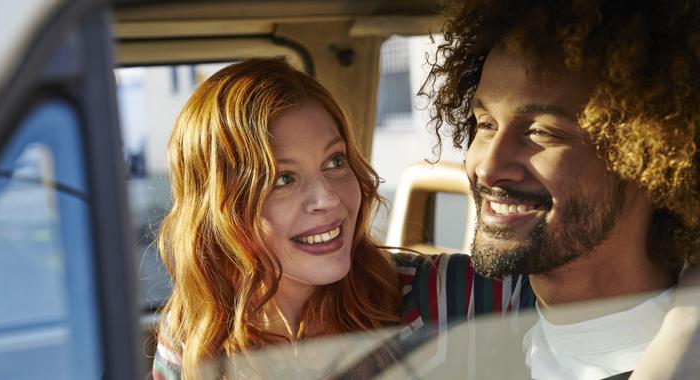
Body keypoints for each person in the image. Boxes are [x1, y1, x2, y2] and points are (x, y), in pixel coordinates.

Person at [151, 58, 533, 379]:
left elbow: (580, 295)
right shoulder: (192, 333)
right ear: (221, 206)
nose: (329, 198)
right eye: (283, 179)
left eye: (335, 162)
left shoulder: (446, 295)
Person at [421, 0, 700, 378]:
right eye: (485, 124)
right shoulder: (455, 311)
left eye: (539, 132)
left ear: (654, 156)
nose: (488, 167)